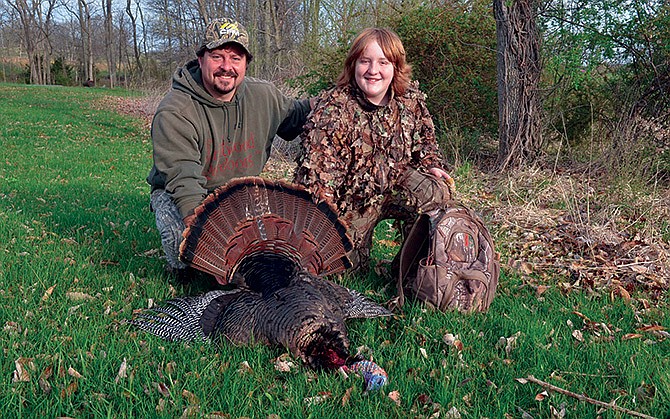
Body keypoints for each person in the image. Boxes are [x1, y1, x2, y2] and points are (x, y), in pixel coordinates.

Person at [147, 17, 313, 279]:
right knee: (187, 253)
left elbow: (299, 116)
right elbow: (185, 183)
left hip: (242, 194)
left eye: (236, 58)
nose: (227, 67)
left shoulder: (263, 96)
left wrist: (344, 94)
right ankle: (185, 269)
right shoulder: (175, 111)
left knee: (276, 255)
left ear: (246, 63)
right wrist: (211, 238)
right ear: (201, 59)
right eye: (217, 56)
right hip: (184, 194)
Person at [294, 27, 453, 272]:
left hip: (395, 184)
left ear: (395, 67)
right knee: (339, 271)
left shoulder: (410, 101)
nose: (373, 71)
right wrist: (323, 232)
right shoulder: (333, 109)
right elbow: (316, 182)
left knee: (436, 191)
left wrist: (432, 164)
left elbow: (426, 142)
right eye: (365, 61)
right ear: (353, 65)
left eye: (383, 62)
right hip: (352, 202)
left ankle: (410, 270)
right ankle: (352, 256)